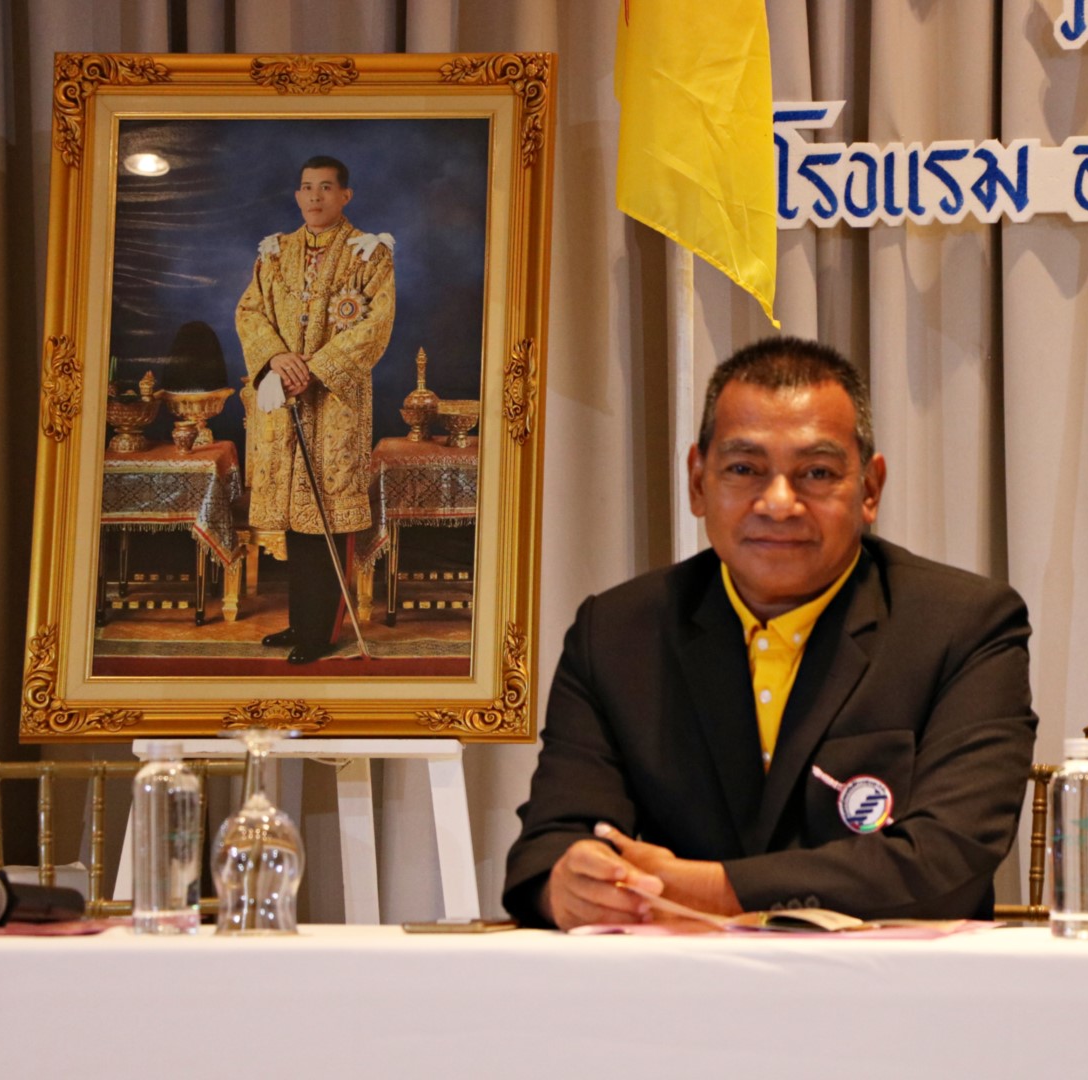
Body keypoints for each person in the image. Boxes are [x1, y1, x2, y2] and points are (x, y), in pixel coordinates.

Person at [503, 337, 1038, 930]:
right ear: (697, 482)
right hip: (677, 980)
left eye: (816, 473)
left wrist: (716, 890)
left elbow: (948, 860)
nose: (779, 503)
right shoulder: (617, 634)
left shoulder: (962, 625)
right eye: (744, 469)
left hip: (891, 981)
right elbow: (552, 842)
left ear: (869, 489)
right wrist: (569, 886)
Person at [235, 155, 395, 664]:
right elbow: (249, 311)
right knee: (296, 520)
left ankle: (322, 631)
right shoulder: (275, 252)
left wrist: (315, 368)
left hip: (335, 406)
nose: (315, 197)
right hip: (284, 400)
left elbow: (375, 325)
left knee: (327, 516)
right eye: (307, 187)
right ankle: (302, 622)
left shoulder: (368, 254)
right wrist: (276, 360)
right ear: (297, 194)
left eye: (326, 187)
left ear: (345, 195)